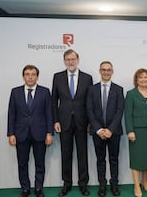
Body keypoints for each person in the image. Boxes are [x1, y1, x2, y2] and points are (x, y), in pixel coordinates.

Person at [52, 49, 93, 196]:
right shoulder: (57, 77)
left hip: (82, 122)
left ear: (78, 60)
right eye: (68, 59)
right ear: (64, 61)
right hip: (64, 123)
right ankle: (66, 184)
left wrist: (90, 122)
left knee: (82, 155)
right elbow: (53, 101)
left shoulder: (87, 78)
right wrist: (55, 120)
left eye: (73, 59)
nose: (71, 62)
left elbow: (90, 102)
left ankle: (83, 184)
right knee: (66, 154)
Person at [7, 65, 53, 197]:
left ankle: (39, 188)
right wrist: (11, 133)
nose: (30, 77)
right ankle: (25, 188)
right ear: (23, 76)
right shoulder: (15, 92)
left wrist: (49, 132)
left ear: (37, 76)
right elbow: (12, 114)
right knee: (22, 163)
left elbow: (49, 113)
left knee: (40, 163)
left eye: (33, 74)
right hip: (21, 134)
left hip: (40, 133)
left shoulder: (45, 92)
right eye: (27, 74)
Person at [87, 61, 124, 197]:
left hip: (114, 132)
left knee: (114, 159)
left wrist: (110, 130)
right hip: (98, 132)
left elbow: (120, 111)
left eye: (109, 70)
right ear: (100, 71)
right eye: (103, 70)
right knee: (100, 160)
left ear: (112, 72)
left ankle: (114, 184)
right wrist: (99, 130)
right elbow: (89, 110)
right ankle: (102, 185)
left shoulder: (118, 89)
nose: (106, 72)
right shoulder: (92, 89)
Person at [124, 68, 147, 197]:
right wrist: (130, 131)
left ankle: (145, 182)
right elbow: (128, 114)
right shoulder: (131, 94)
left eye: (146, 77)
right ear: (136, 80)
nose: (143, 79)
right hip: (136, 131)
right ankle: (137, 185)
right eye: (140, 77)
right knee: (137, 159)